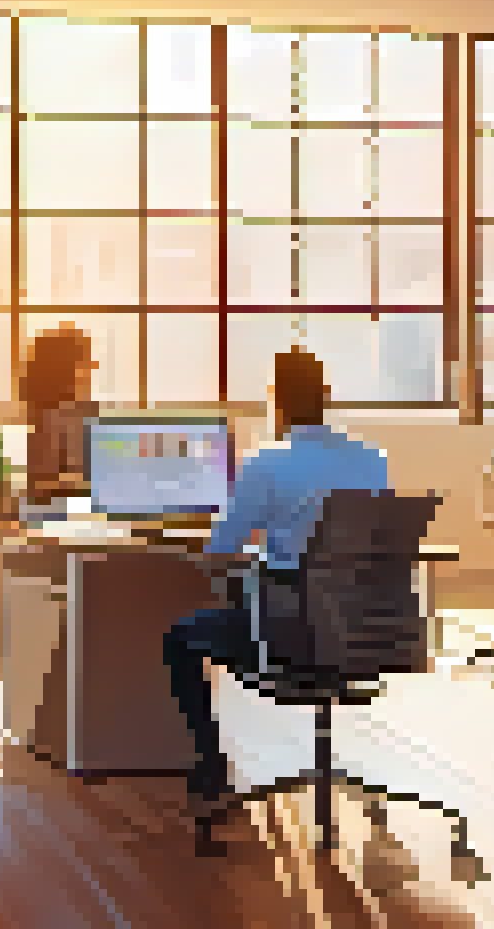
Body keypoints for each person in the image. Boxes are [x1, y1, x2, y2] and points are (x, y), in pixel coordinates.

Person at [165, 349, 389, 831]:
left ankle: (210, 767)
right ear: (327, 400)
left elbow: (222, 549)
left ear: (277, 405)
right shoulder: (374, 462)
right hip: (365, 640)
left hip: (288, 642)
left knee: (181, 638)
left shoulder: (268, 462)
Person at [19, 324, 98, 503]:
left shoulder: (87, 412)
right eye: (85, 362)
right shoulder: (48, 419)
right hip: (62, 513)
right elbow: (42, 485)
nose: (93, 368)